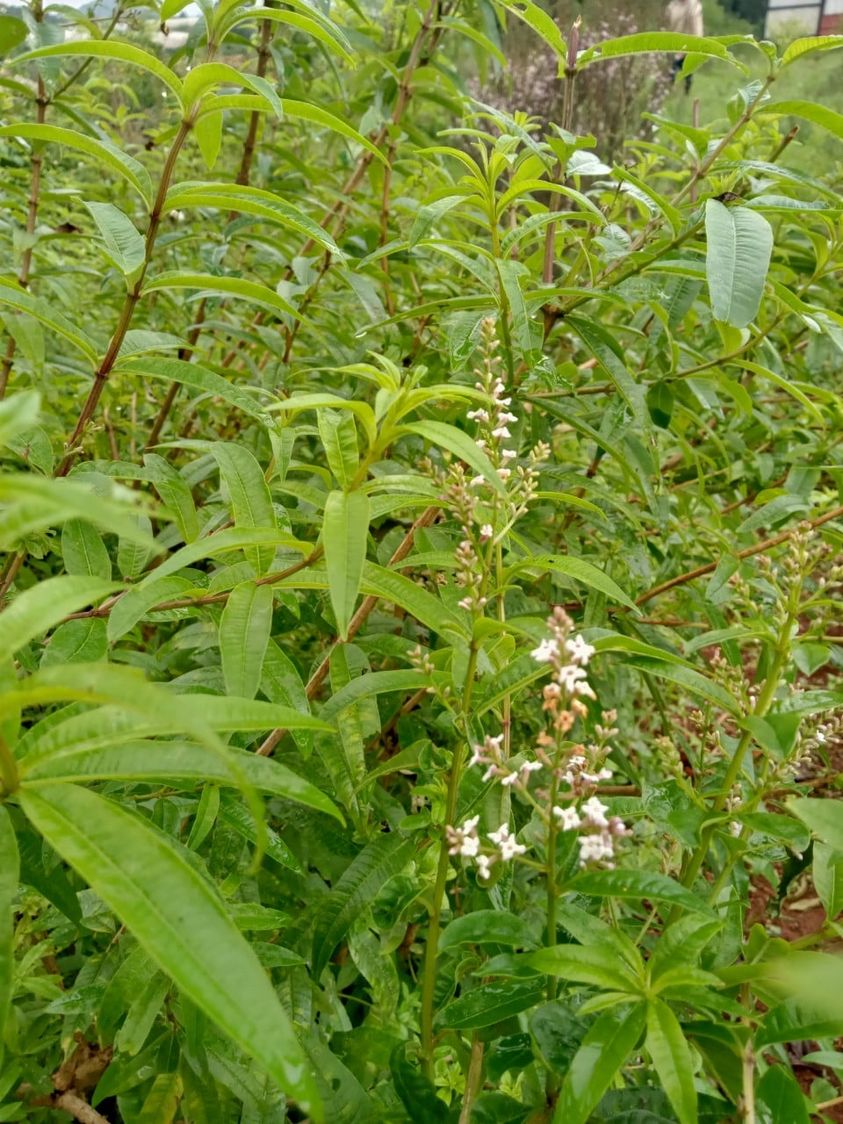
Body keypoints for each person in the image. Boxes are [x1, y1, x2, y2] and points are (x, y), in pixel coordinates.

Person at [666, 0, 704, 92]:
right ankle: (669, 90)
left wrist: (694, 46)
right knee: (671, 70)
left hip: (687, 45)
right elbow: (667, 22)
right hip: (672, 44)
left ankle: (685, 92)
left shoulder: (694, 6)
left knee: (686, 72)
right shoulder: (673, 5)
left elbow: (697, 29)